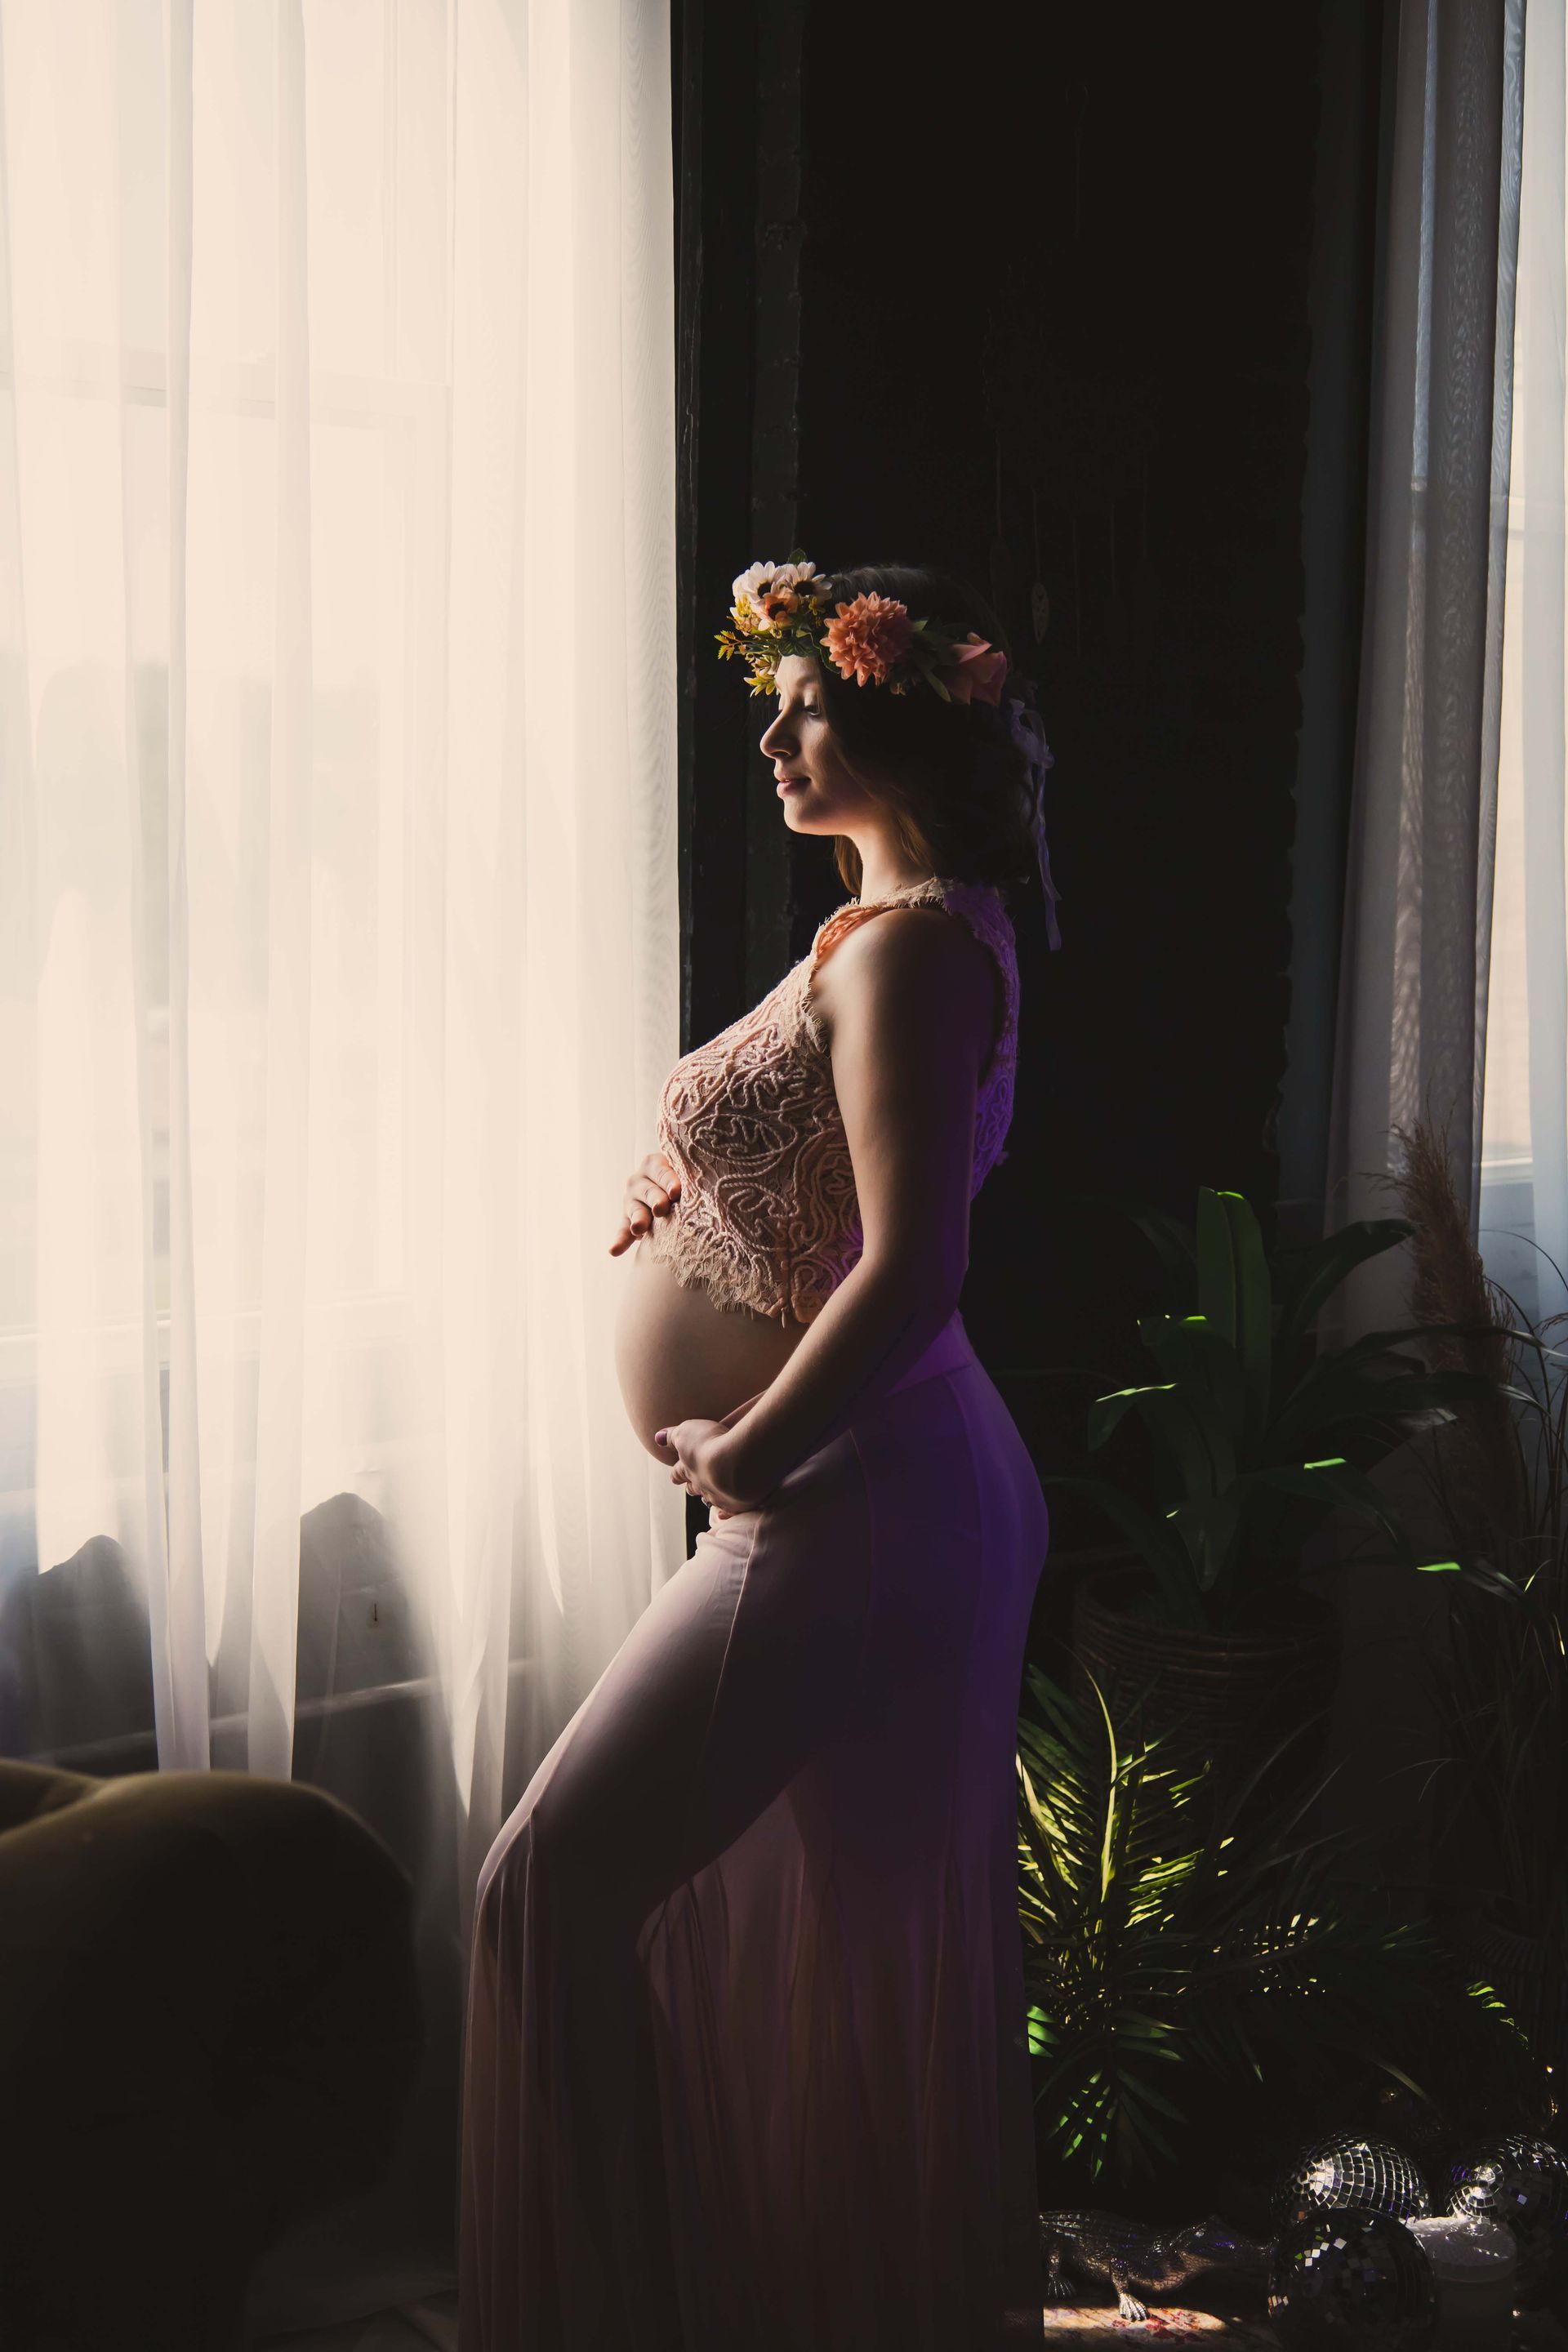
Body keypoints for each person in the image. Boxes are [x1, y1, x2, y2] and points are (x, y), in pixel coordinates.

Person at [459, 558, 1064, 2351]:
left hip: (845, 1490)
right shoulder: (881, 932)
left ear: (893, 714)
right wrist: (692, 1186)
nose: (778, 735)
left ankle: (625, 2314)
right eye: (781, 703)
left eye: (811, 703)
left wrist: (748, 1453)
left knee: (540, 1892)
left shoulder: (924, 946)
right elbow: (820, 1194)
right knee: (777, 1934)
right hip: (849, 1481)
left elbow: (914, 1261)